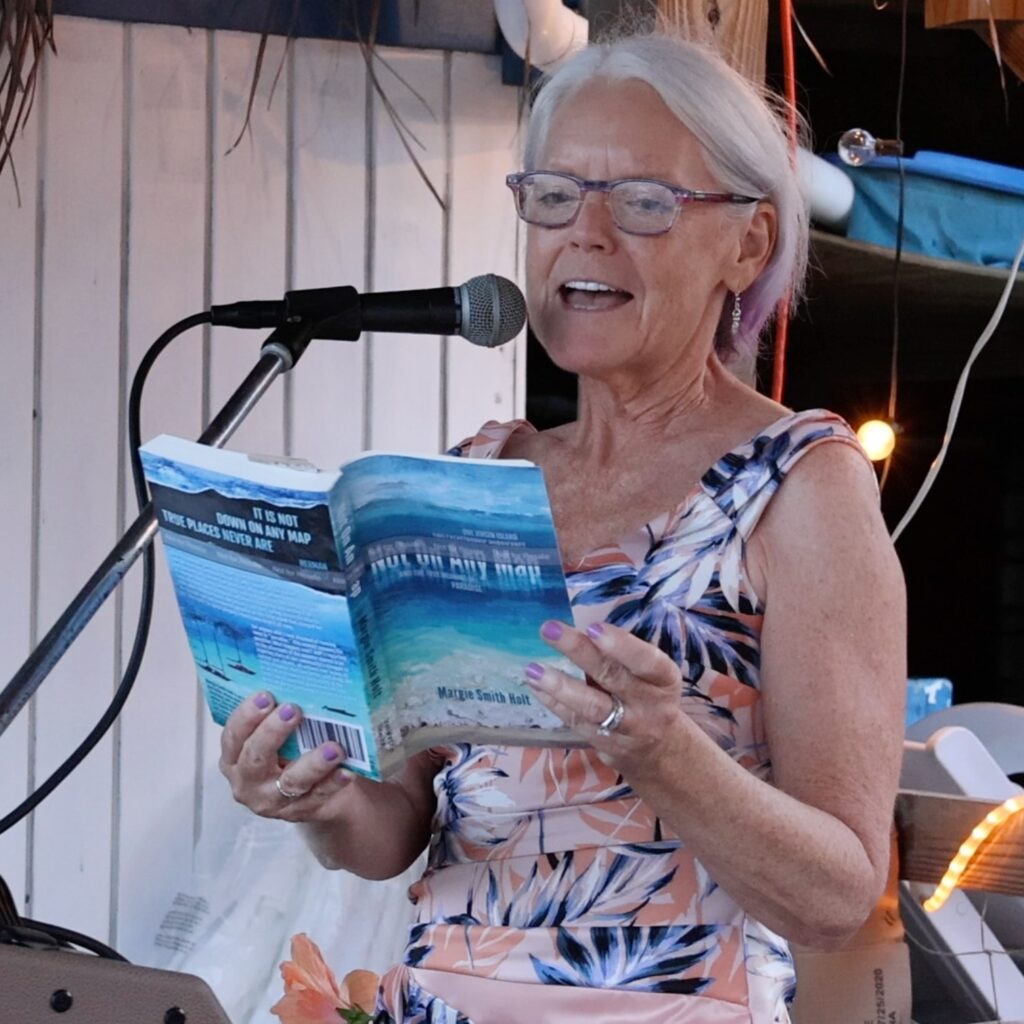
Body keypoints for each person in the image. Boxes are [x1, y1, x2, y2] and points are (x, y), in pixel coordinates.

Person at [219, 29, 906, 1024]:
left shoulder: (800, 487)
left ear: (746, 243)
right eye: (552, 196)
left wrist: (665, 752)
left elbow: (840, 895)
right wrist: (319, 798)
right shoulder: (473, 474)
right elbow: (396, 828)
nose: (585, 234)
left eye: (640, 201)